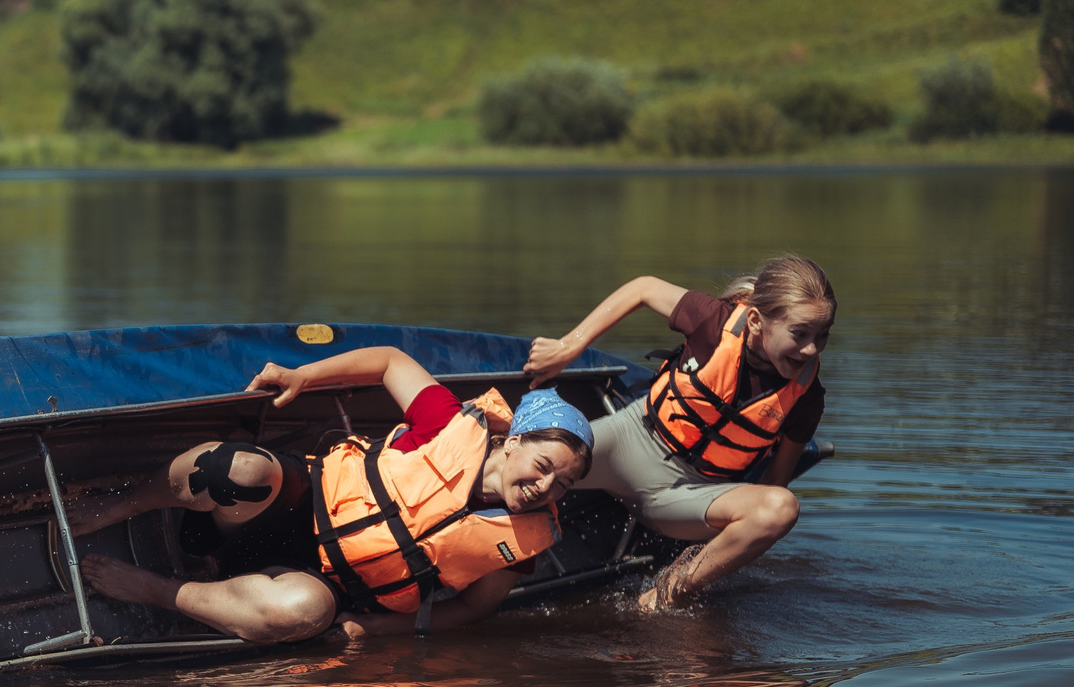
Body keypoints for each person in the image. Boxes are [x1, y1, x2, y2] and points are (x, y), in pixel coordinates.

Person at [75, 346, 592, 642]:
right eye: (544, 466)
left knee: (304, 613)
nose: (546, 487)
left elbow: (472, 610)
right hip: (293, 505)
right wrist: (303, 375)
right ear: (516, 440)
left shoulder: (522, 543)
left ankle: (156, 590)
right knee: (238, 469)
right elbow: (390, 361)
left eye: (563, 484)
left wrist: (372, 628)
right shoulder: (446, 422)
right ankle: (120, 505)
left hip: (315, 581)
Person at [523, 255, 835, 611]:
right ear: (755, 321)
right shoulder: (713, 320)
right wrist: (568, 347)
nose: (812, 349)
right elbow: (642, 288)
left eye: (822, 336)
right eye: (800, 334)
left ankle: (667, 592)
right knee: (526, 460)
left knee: (781, 508)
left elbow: (775, 482)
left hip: (688, 496)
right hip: (630, 442)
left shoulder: (807, 396)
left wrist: (736, 540)